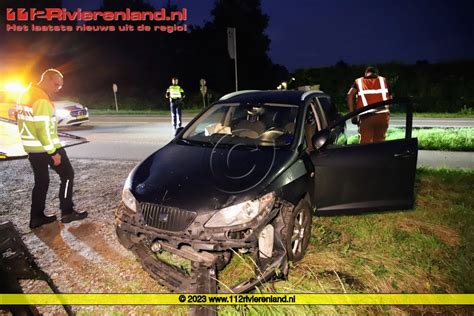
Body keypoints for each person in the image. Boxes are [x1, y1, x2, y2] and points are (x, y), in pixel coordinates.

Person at [16, 69, 87, 229]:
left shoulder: (25, 94)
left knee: (41, 182)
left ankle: (36, 217)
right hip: (46, 147)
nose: (57, 89)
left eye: (60, 87)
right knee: (68, 175)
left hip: (31, 146)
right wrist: (53, 152)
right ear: (46, 79)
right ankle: (67, 211)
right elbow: (43, 130)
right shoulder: (41, 99)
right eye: (56, 85)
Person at [346, 66, 391, 144]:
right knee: (380, 143)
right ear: (376, 74)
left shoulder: (359, 81)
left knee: (365, 145)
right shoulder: (383, 81)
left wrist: (352, 114)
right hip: (383, 116)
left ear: (365, 73)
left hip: (366, 116)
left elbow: (349, 95)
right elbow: (389, 97)